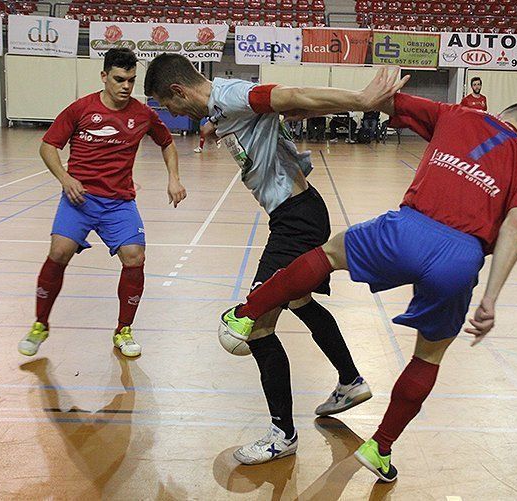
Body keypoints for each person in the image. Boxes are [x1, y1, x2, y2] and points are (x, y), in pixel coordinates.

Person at [220, 69, 517, 482]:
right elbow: (515, 228)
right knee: (428, 356)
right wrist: (490, 298)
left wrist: (319, 103)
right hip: (461, 259)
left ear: (498, 114)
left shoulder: (457, 114)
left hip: (408, 230)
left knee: (329, 253)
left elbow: (380, 100)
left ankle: (245, 314)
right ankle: (380, 446)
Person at [143, 53, 372, 465]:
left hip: (295, 221)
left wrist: (361, 99)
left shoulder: (233, 95)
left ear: (177, 92)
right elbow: (292, 108)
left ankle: (283, 434)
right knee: (300, 301)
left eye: (168, 105)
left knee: (255, 327)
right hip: (298, 212)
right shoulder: (222, 107)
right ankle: (350, 380)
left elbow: (293, 95)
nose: (172, 113)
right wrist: (217, 127)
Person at [17, 49, 187, 358]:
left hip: (119, 202)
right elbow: (48, 147)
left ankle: (123, 330)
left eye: (131, 80)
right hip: (79, 198)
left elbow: (167, 143)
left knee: (135, 257)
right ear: (104, 76)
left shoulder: (143, 114)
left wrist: (173, 178)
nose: (125, 86)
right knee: (59, 251)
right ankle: (40, 324)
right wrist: (65, 178)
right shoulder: (81, 109)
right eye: (119, 79)